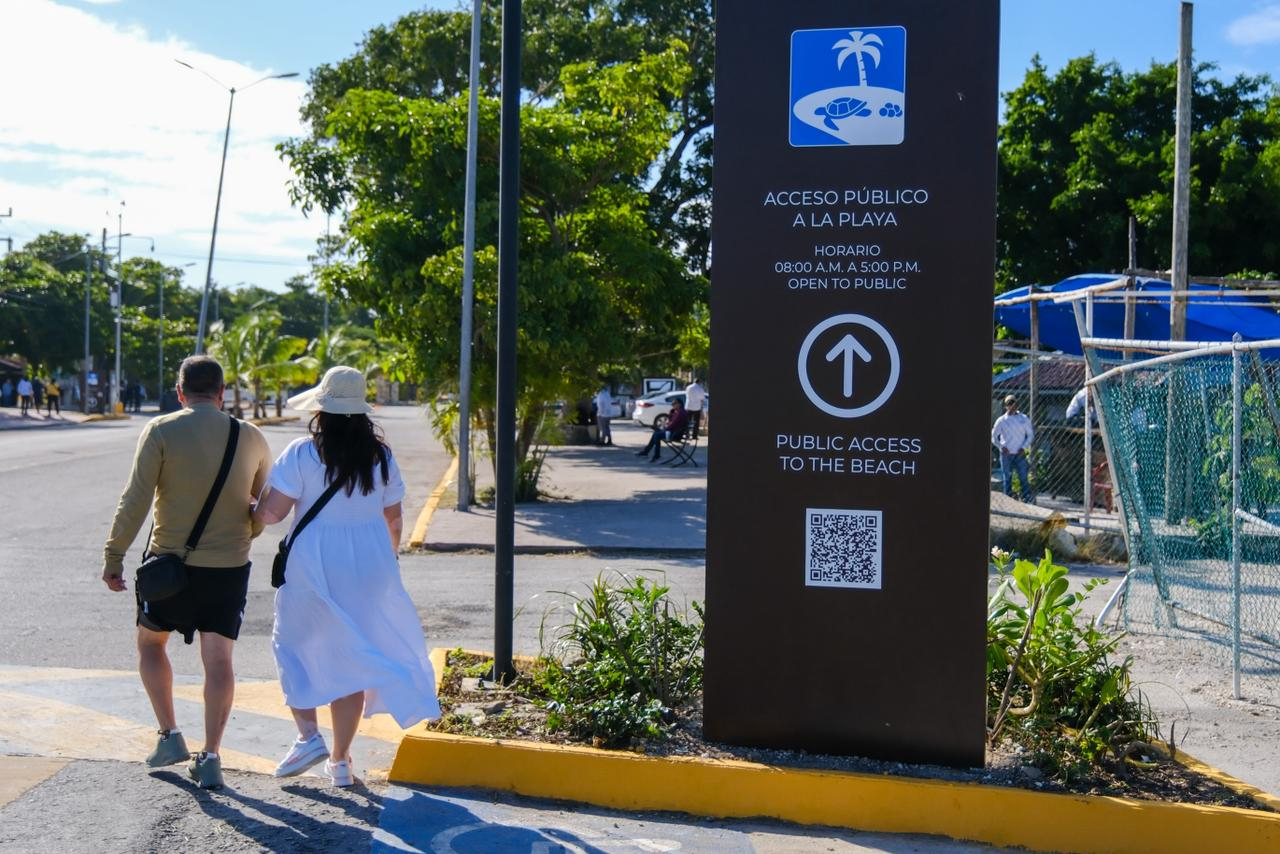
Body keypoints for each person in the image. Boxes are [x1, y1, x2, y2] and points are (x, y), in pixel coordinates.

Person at [252, 366, 440, 788]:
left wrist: (251, 505)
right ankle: (339, 762)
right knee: (350, 660)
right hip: (369, 567)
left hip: (313, 565)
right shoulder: (380, 456)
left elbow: (272, 514)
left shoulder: (303, 453)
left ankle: (307, 735)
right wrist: (384, 563)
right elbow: (393, 518)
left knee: (292, 645)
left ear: (322, 410)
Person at [101, 356, 272, 790]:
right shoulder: (250, 436)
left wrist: (114, 556)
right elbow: (263, 508)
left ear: (180, 392)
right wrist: (246, 531)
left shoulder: (161, 430)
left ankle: (170, 736)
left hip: (168, 569)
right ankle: (212, 756)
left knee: (150, 644)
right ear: (221, 393)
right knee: (219, 661)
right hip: (228, 568)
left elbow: (135, 500)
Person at [992, 394, 1034, 503]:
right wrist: (1001, 447)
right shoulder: (1001, 420)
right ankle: (1008, 501)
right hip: (1006, 454)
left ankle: (1026, 500)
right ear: (1005, 406)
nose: (1012, 405)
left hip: (1020, 454)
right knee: (1007, 479)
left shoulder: (1024, 419)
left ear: (1017, 404)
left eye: (1013, 402)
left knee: (1023, 478)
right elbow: (993, 437)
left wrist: (1024, 447)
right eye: (1009, 403)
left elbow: (1030, 435)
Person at [636, 398, 689, 462]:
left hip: (676, 434)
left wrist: (665, 429)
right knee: (656, 433)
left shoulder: (680, 413)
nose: (672, 405)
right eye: (672, 404)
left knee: (657, 435)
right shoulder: (678, 412)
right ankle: (647, 452)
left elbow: (673, 424)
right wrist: (671, 413)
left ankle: (655, 455)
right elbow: (670, 422)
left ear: (679, 404)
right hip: (674, 432)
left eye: (674, 403)